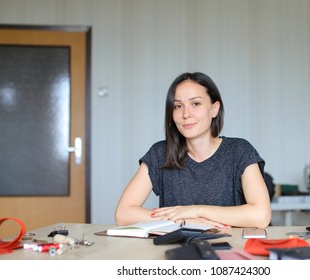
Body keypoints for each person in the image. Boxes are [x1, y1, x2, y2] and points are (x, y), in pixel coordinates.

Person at [115, 72, 271, 228]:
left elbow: (261, 216)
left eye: (195, 104)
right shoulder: (160, 153)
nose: (186, 114)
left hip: (229, 247)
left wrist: (197, 211)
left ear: (214, 109)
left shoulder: (240, 150)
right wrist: (183, 221)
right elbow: (123, 214)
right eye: (178, 106)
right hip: (174, 249)